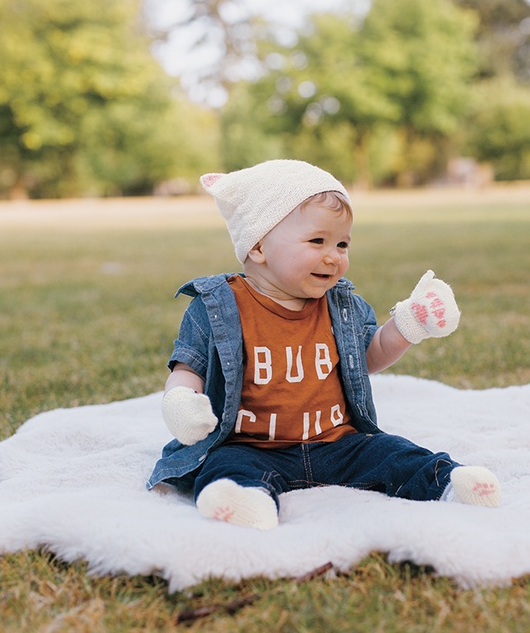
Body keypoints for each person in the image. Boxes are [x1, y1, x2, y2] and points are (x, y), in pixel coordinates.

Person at [147, 159, 501, 529]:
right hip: (250, 447)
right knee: (224, 467)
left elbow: (368, 355)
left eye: (343, 243)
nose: (335, 256)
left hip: (338, 444)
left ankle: (447, 482)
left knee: (391, 452)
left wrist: (407, 326)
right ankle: (244, 499)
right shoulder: (217, 306)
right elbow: (188, 369)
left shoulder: (340, 304)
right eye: (318, 241)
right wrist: (181, 403)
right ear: (258, 246)